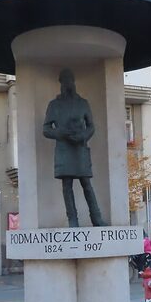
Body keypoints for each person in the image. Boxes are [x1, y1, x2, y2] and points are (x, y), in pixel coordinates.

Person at [43, 68, 106, 228]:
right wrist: (61, 133)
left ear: (73, 82)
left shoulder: (82, 103)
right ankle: (73, 220)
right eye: (65, 80)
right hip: (64, 148)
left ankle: (97, 219)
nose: (68, 83)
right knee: (67, 185)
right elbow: (46, 129)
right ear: (61, 83)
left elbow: (91, 126)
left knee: (86, 183)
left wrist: (84, 136)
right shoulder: (54, 105)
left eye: (70, 80)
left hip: (80, 148)